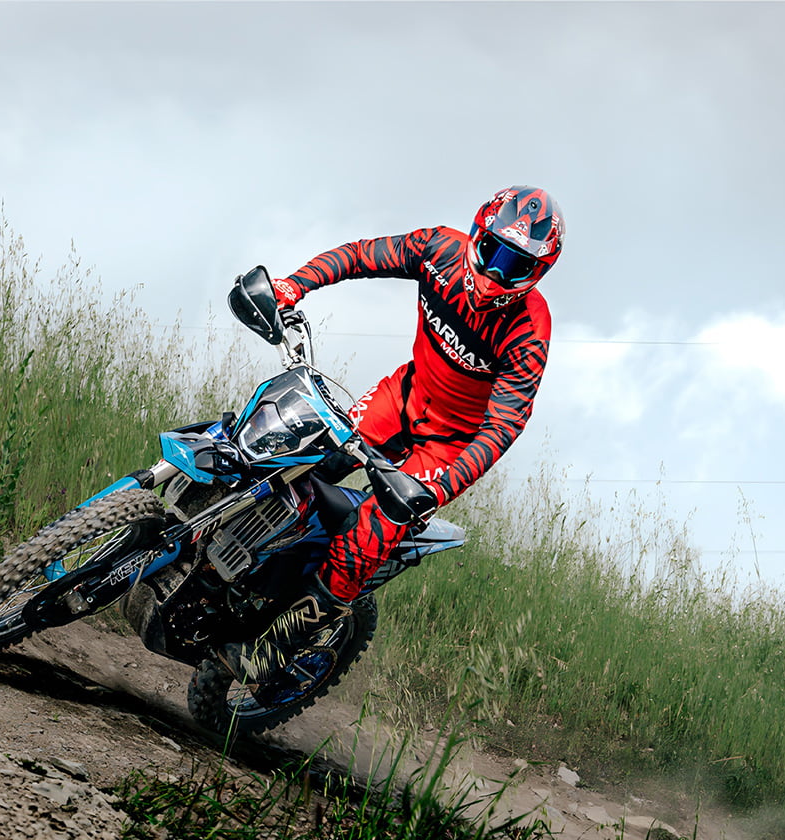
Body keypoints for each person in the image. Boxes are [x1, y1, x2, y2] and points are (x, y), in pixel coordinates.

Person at [221, 186, 565, 683]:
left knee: (369, 535)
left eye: (516, 266)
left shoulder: (529, 329)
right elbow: (359, 256)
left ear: (538, 272)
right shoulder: (438, 249)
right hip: (404, 396)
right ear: (477, 234)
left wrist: (438, 489)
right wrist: (292, 286)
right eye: (493, 252)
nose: (496, 273)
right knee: (303, 451)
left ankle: (271, 653)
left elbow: (505, 424)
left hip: (450, 445)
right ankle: (230, 555)